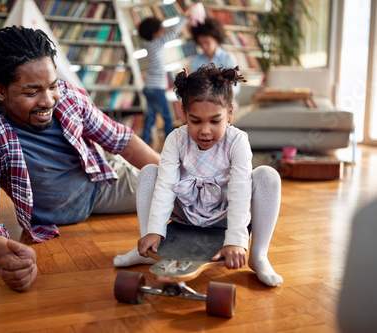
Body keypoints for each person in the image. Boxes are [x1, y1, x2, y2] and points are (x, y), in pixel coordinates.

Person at [0, 26, 160, 292]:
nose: (48, 100)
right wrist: (6, 256)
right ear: (1, 92)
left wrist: (174, 176)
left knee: (178, 185)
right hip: (74, 206)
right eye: (32, 92)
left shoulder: (69, 96)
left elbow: (121, 140)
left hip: (99, 176)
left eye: (52, 85)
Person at [114, 64, 283, 287]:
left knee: (267, 176)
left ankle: (258, 255)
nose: (205, 130)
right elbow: (165, 186)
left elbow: (241, 191)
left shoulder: (237, 141)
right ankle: (147, 246)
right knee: (149, 172)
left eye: (215, 121)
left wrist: (236, 240)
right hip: (186, 213)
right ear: (184, 114)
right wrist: (155, 229)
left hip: (222, 216)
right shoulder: (175, 139)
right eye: (196, 121)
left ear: (229, 114)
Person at [137, 10, 190, 146]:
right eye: (160, 30)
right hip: (156, 88)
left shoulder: (149, 45)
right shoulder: (156, 43)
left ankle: (144, 142)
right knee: (167, 117)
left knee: (151, 117)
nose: (162, 32)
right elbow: (172, 33)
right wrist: (184, 17)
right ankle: (171, 144)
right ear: (155, 34)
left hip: (148, 87)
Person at [190, 17, 241, 96]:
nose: (204, 46)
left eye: (207, 42)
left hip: (225, 102)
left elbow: (235, 86)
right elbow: (194, 86)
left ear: (216, 39)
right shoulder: (195, 61)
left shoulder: (227, 57)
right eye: (201, 43)